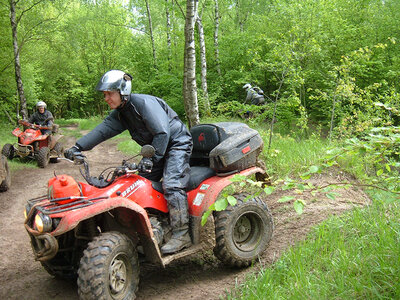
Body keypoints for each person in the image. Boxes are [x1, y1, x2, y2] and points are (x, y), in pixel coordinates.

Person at [64, 70, 193, 255]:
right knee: (141, 185)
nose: (106, 98)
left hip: (176, 143)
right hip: (155, 148)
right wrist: (78, 147)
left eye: (109, 93)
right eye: (104, 95)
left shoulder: (144, 104)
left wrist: (150, 159)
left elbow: (162, 133)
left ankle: (182, 234)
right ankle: (158, 227)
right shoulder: (121, 113)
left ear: (122, 91)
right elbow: (103, 130)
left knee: (172, 184)